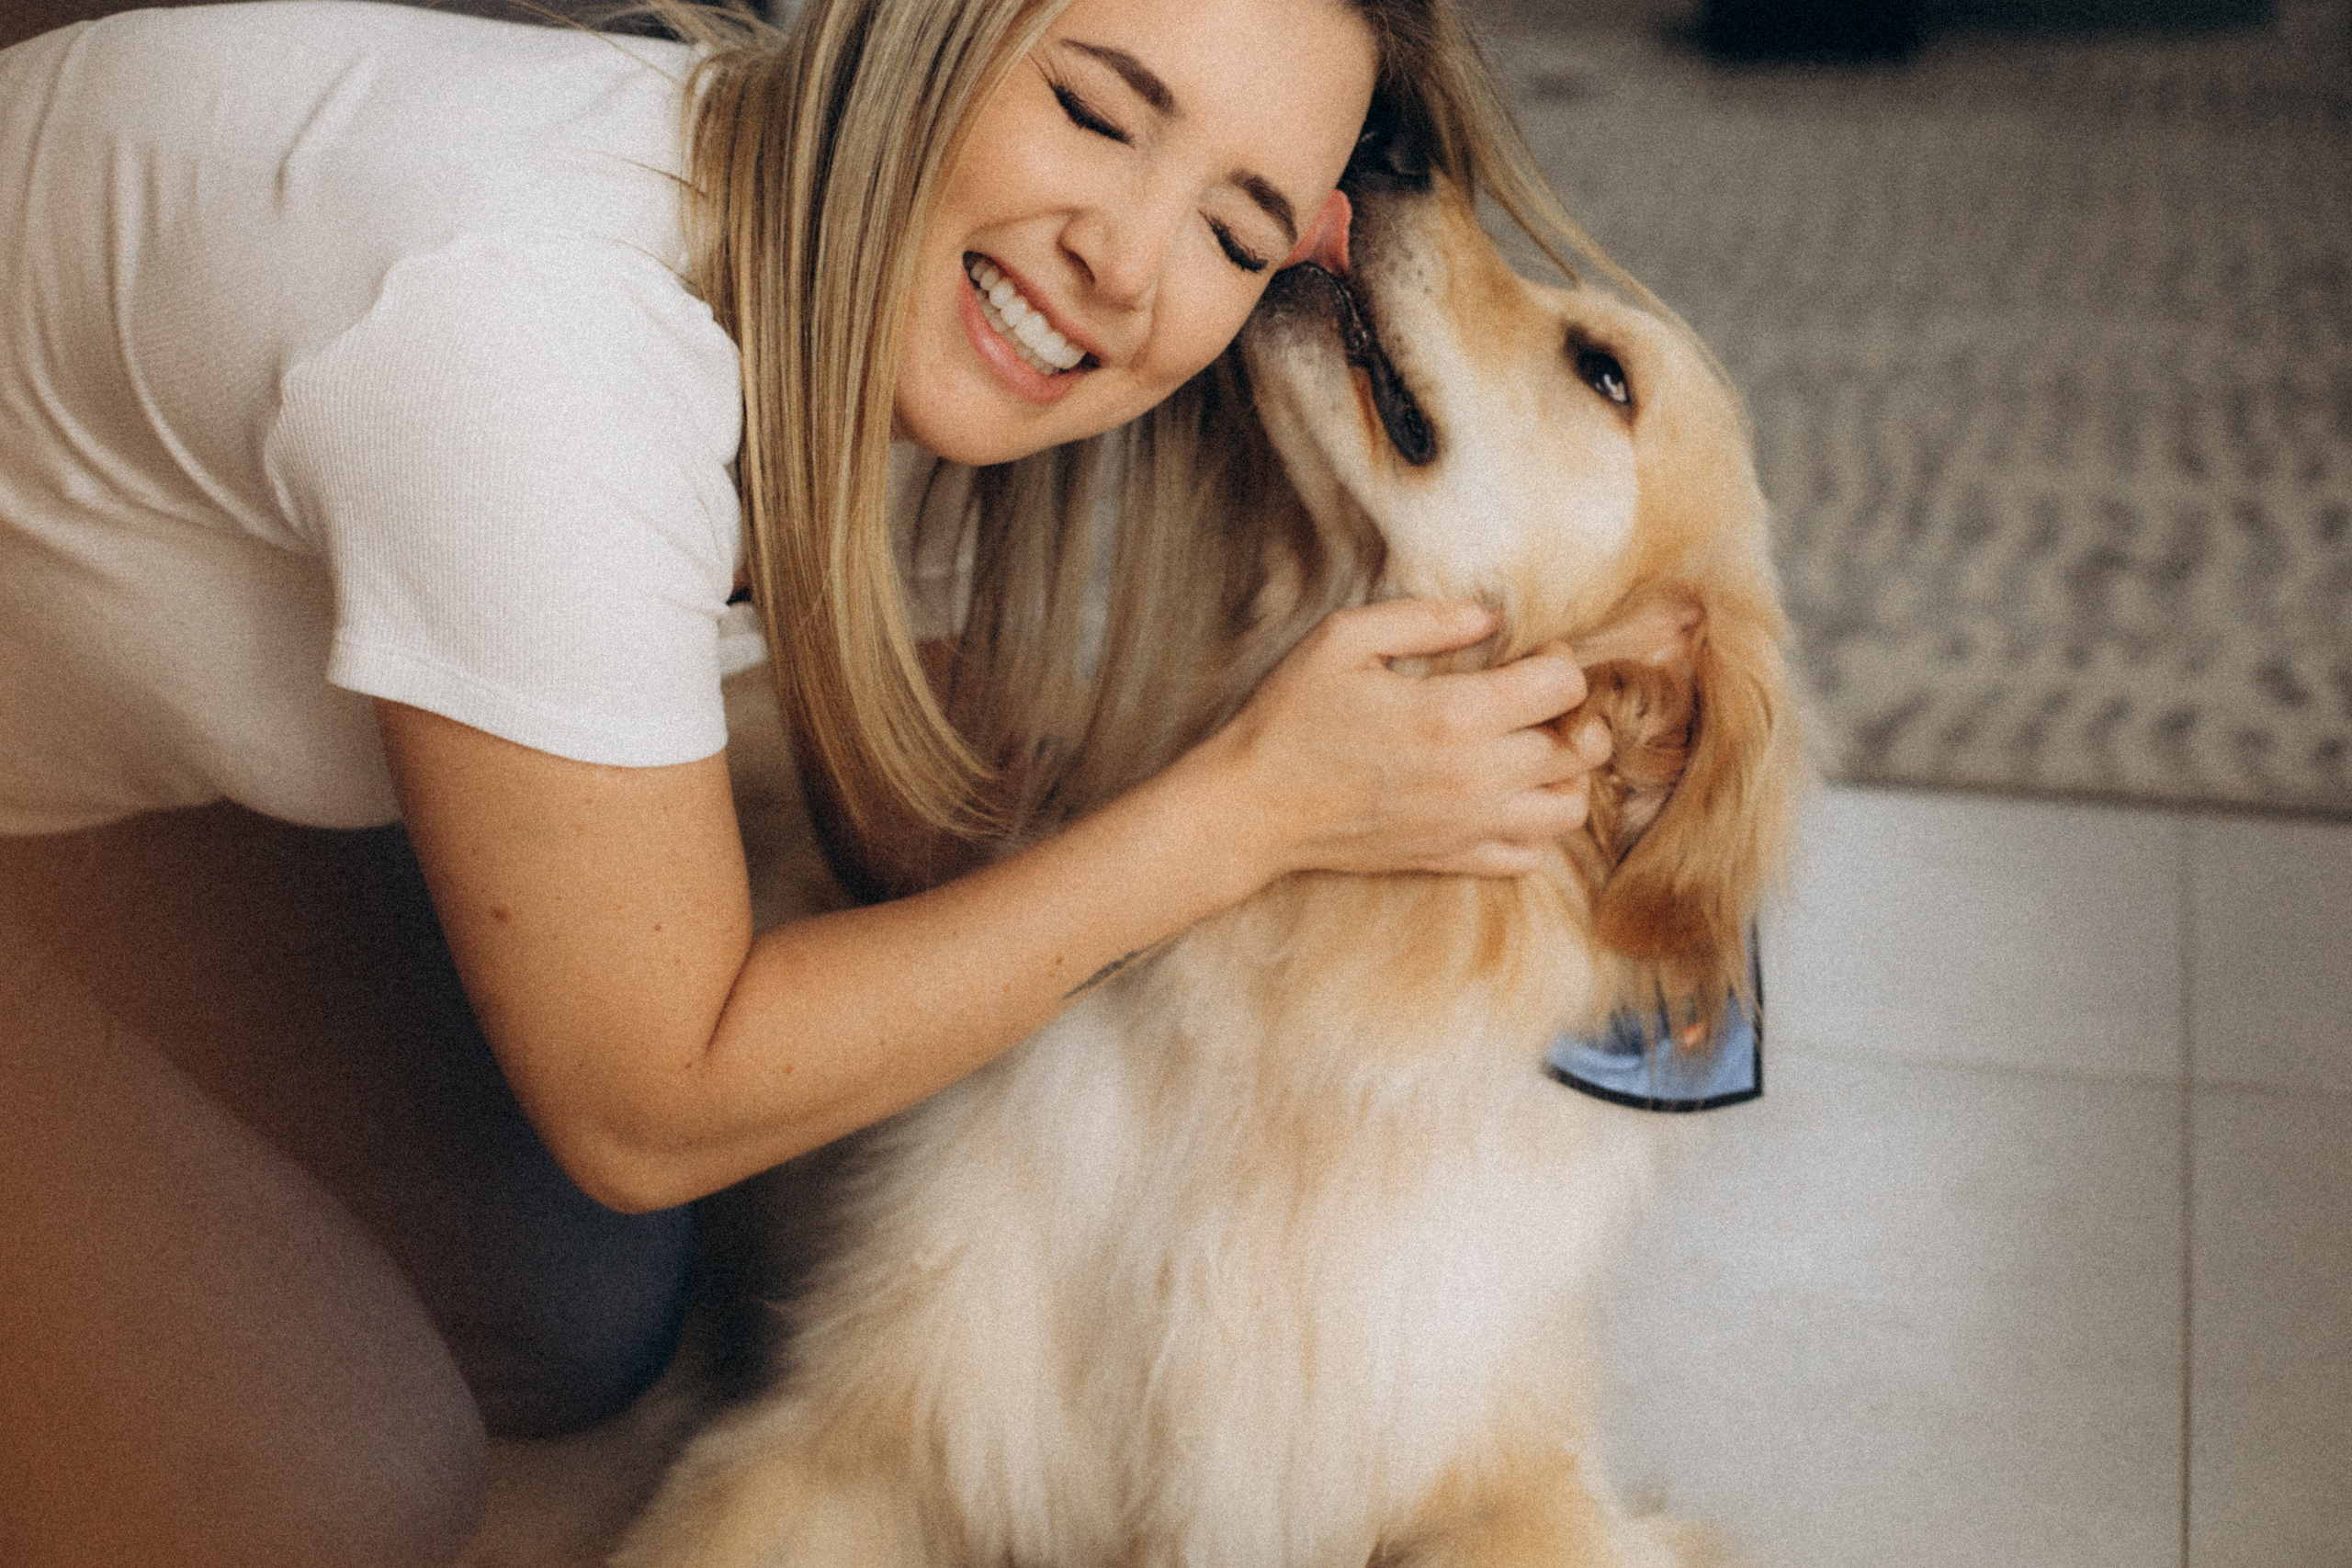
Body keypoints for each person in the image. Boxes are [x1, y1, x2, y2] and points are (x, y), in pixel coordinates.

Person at [0, 0, 1626, 1562]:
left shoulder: (877, 290)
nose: (1126, 268)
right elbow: (652, 1101)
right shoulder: (537, 332)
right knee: (331, 1478)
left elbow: (916, 730)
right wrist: (1249, 812)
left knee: (578, 1306)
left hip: (122, 810)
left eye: (1233, 230)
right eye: (1093, 111)